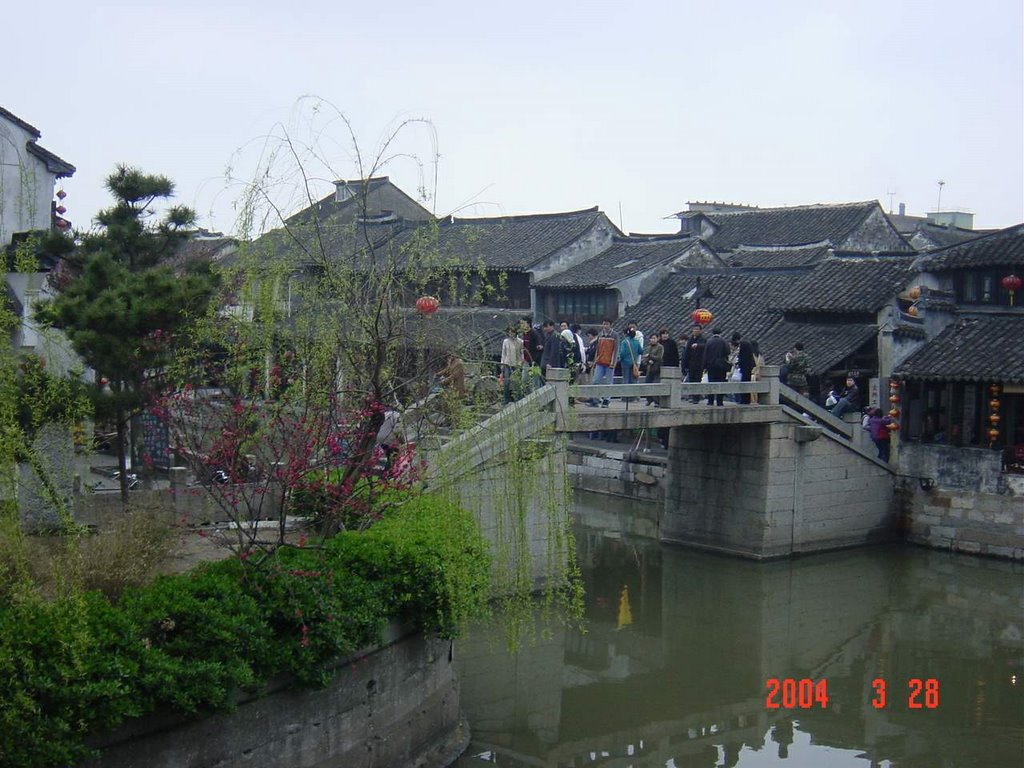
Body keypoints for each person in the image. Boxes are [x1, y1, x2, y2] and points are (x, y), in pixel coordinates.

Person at [589, 319, 618, 407]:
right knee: (595, 381)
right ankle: (595, 399)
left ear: (610, 325)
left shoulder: (615, 335)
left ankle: (606, 400)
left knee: (609, 382)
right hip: (600, 361)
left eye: (607, 324)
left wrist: (613, 362)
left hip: (609, 362)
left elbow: (616, 350)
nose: (605, 326)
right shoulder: (600, 335)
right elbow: (597, 349)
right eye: (604, 324)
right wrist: (595, 361)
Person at [703, 327, 731, 406]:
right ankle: (719, 401)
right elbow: (728, 352)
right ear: (720, 333)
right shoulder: (724, 342)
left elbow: (705, 354)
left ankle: (710, 401)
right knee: (721, 383)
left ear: (712, 333)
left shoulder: (709, 342)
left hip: (711, 366)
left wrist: (704, 366)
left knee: (711, 382)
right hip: (721, 367)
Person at [681, 325, 706, 403]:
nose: (695, 331)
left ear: (701, 331)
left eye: (697, 329)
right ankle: (692, 396)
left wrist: (698, 346)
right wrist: (684, 365)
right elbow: (686, 353)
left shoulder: (703, 339)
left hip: (699, 364)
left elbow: (705, 346)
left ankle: (696, 398)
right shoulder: (691, 339)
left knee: (697, 380)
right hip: (691, 364)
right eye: (694, 329)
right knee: (691, 380)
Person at [618, 325, 644, 401]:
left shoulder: (624, 342)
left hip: (625, 363)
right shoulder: (636, 342)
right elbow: (641, 351)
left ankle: (625, 397)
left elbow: (622, 353)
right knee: (633, 380)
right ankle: (633, 396)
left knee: (625, 379)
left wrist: (621, 359)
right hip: (634, 363)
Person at [500, 325, 524, 404]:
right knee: (506, 382)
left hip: (516, 364)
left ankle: (518, 398)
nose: (511, 334)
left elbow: (521, 353)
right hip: (507, 363)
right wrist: (502, 364)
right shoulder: (505, 341)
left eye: (512, 332)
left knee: (517, 382)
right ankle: (506, 399)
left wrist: (520, 363)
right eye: (509, 332)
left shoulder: (520, 341)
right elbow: (504, 353)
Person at [731, 332, 756, 404]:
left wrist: (739, 363)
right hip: (748, 367)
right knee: (746, 382)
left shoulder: (743, 344)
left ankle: (744, 400)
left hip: (746, 367)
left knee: (744, 383)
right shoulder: (746, 343)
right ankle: (746, 400)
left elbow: (743, 357)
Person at [643, 333, 664, 406]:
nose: (652, 340)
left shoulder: (660, 347)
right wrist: (647, 360)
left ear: (657, 339)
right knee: (647, 383)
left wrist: (650, 356)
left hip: (657, 368)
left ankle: (657, 401)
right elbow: (646, 358)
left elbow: (659, 357)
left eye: (654, 338)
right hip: (650, 368)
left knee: (655, 383)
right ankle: (649, 399)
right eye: (651, 338)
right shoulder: (649, 347)